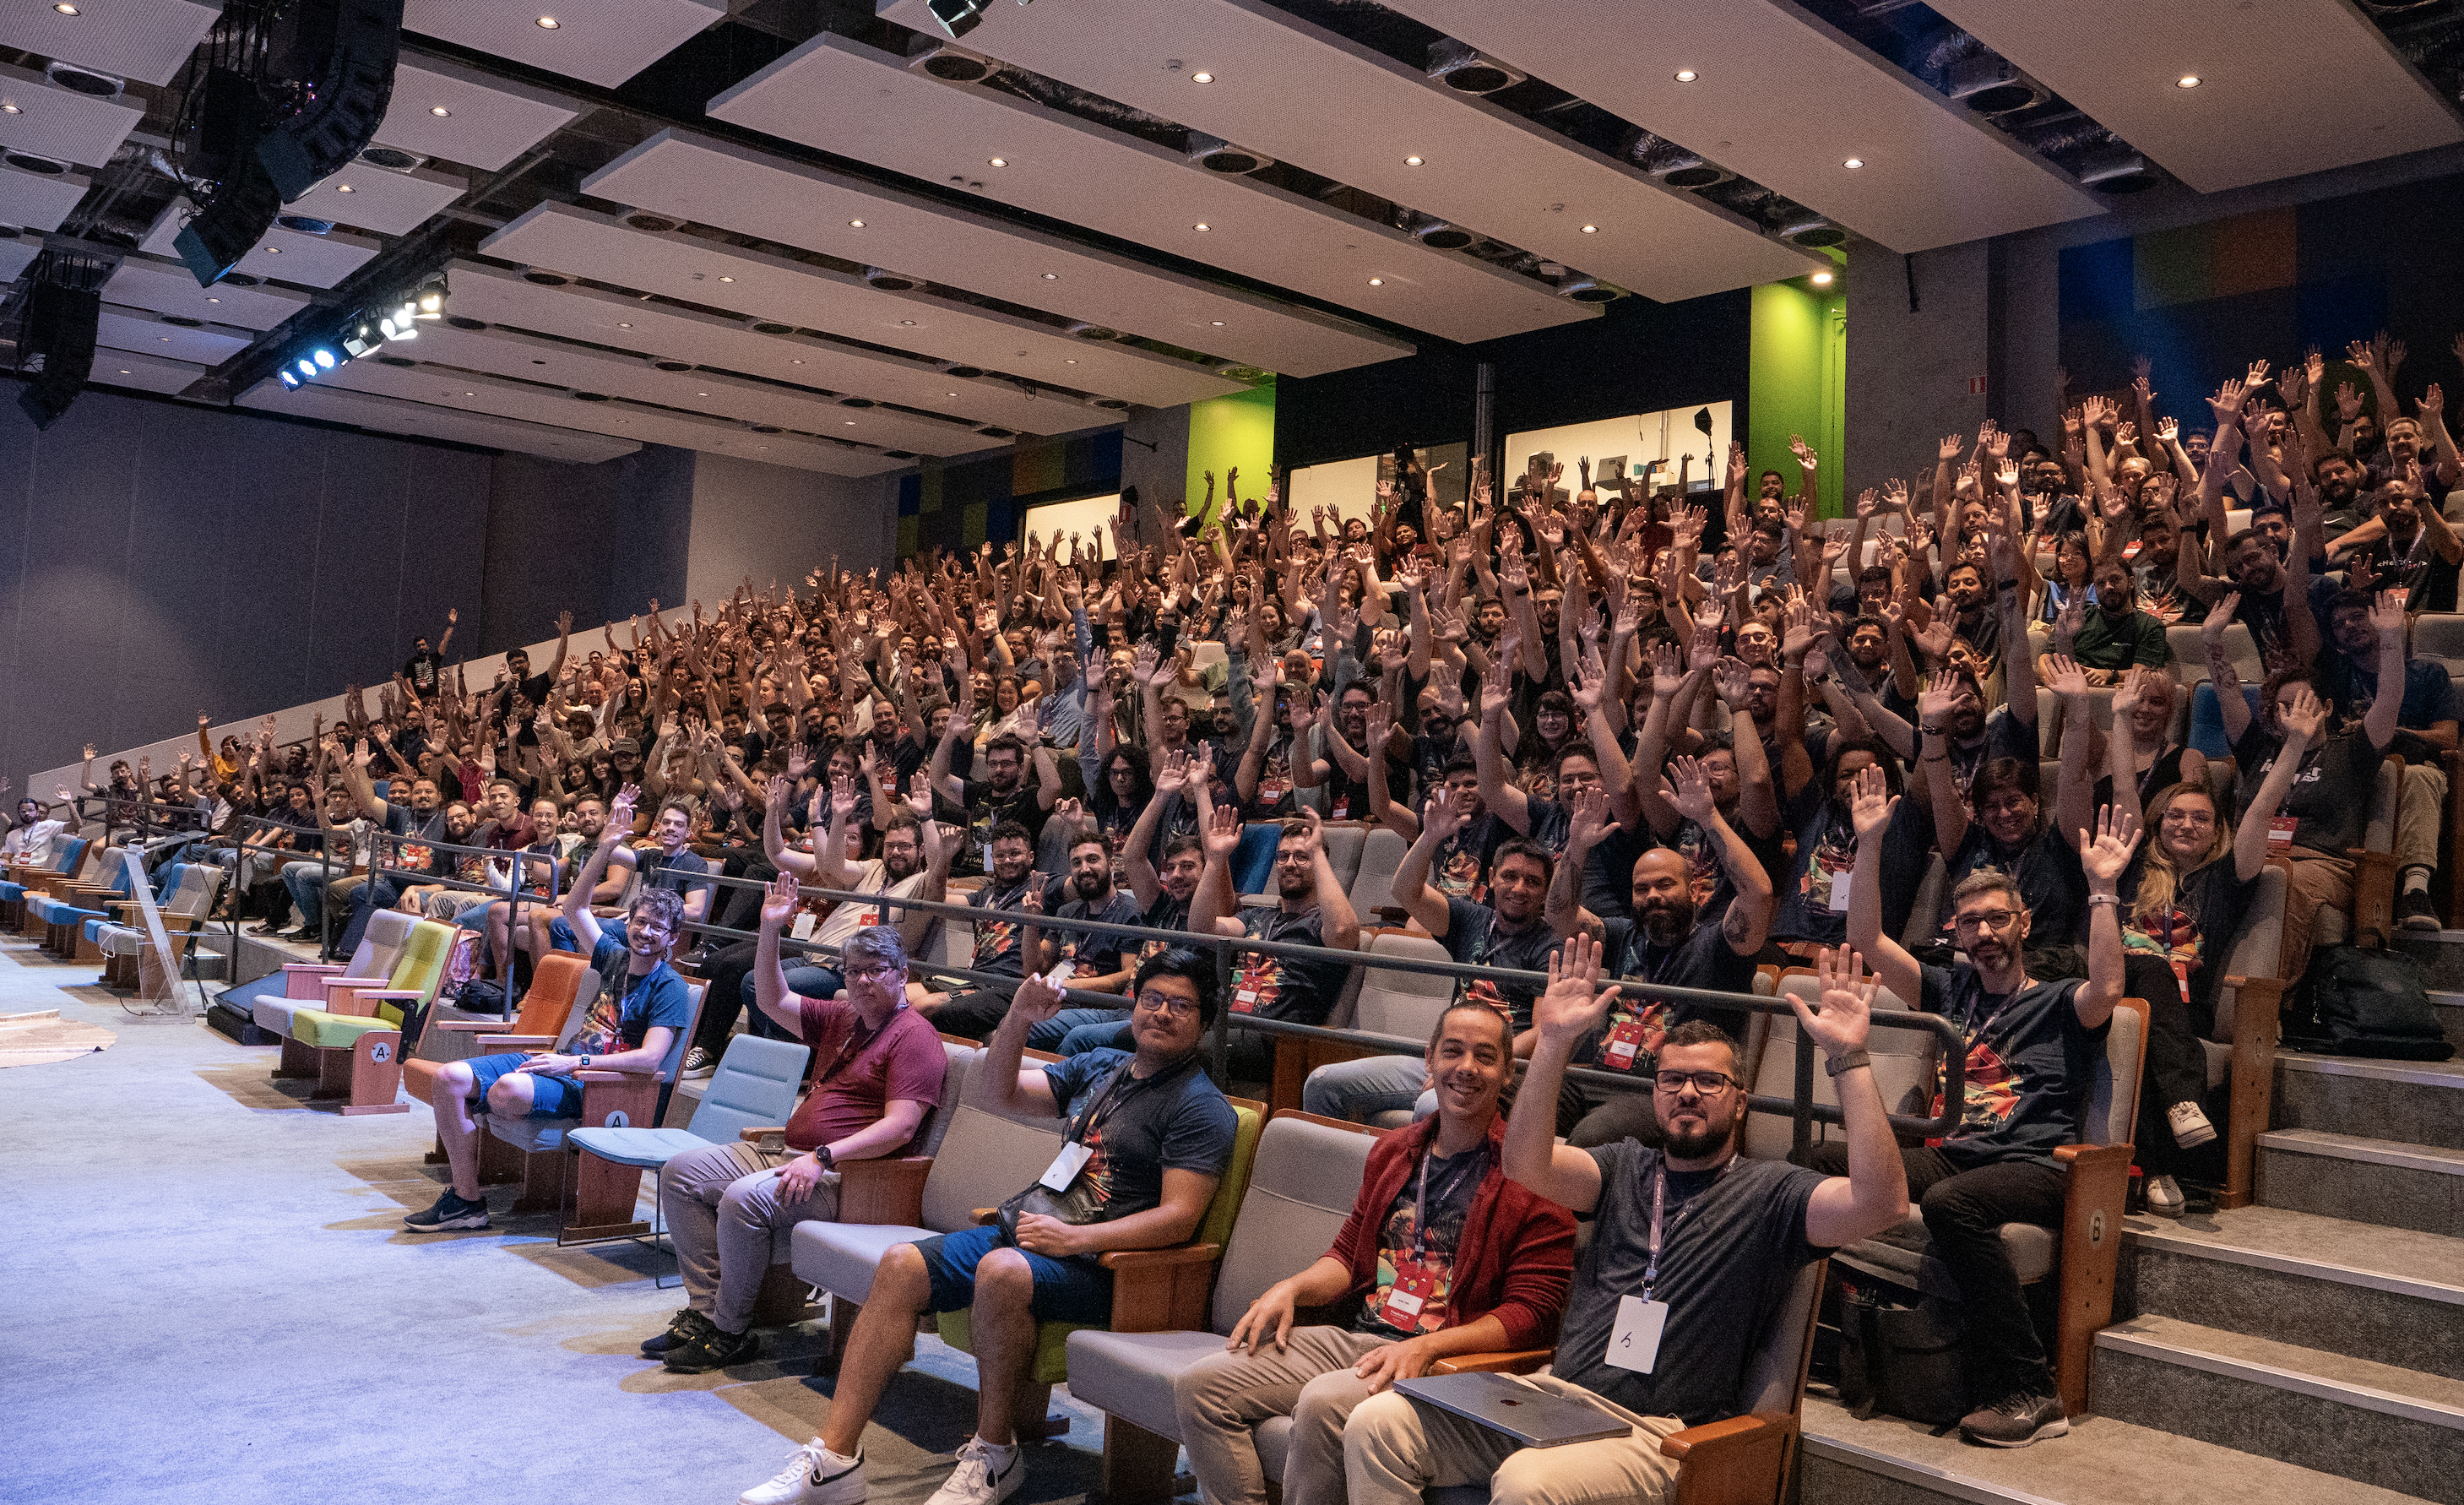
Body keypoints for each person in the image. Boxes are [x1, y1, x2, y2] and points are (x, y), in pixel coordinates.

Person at [1338, 936, 1909, 1505]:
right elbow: (1525, 1163)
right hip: (1554, 1400)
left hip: (1659, 1434)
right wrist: (1556, 1041)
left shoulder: (1772, 1192)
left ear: (1741, 1101)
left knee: (1526, 1482)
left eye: (1709, 1082)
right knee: (1379, 1424)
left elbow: (1881, 1204)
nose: (1688, 1093)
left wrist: (1848, 1059)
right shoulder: (1623, 1167)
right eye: (1672, 1080)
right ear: (1655, 1094)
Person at [735, 948, 1239, 1505]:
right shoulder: (1102, 1066)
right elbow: (997, 1093)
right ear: (1133, 1005)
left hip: (1107, 1270)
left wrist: (1078, 1239)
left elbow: (1179, 1217)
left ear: (1205, 1024)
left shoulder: (1200, 1106)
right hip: (1036, 1234)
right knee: (902, 1263)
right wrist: (1018, 1019)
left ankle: (995, 1453)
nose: (1163, 1013)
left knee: (1001, 1270)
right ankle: (833, 1460)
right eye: (1153, 999)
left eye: (1182, 1006)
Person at [1171, 1002, 1577, 1505]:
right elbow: (1347, 1255)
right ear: (1429, 1060)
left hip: (1449, 1361)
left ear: (1507, 1072)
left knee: (1321, 1404)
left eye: (1484, 1056)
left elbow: (1532, 1316)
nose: (1466, 1068)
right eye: (1452, 1051)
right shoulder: (1395, 1150)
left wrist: (1428, 1348)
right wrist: (1291, 1287)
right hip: (1361, 1337)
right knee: (1200, 1386)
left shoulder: (1537, 1178)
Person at [1842, 763, 2141, 1446]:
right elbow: (1866, 942)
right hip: (1956, 1154)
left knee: (1953, 1205)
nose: (1983, 931)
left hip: (2036, 1163)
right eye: (1970, 920)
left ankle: (2031, 1388)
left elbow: (2108, 987)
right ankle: (1824, 1336)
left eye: (1996, 918)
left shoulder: (2057, 1000)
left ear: (2023, 923)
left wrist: (2101, 890)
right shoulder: (1950, 993)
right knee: (1824, 1157)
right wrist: (1867, 845)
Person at [648, 888, 946, 1372]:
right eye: (854, 971)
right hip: (786, 1151)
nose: (863, 981)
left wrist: (824, 1157)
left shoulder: (915, 1037)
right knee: (681, 1172)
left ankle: (729, 1329)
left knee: (743, 1199)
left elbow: (900, 1126)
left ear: (903, 975)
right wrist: (770, 929)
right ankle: (707, 1312)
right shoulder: (844, 1016)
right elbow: (771, 998)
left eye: (876, 970)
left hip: (849, 1177)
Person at [409, 788, 693, 1233]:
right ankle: (467, 1200)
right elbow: (575, 906)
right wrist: (604, 848)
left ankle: (488, 1158)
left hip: (595, 1085)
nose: (646, 932)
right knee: (448, 1079)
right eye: (640, 922)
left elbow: (650, 1059)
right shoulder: (614, 957)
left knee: (506, 1091)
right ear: (629, 924)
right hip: (556, 1065)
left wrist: (574, 1061)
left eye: (658, 927)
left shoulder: (670, 987)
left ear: (673, 937)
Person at [2102, 682, 2315, 1215]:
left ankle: (2156, 1167)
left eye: (2201, 818)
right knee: (2143, 970)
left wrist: (2292, 747)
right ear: (2157, 823)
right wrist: (2121, 721)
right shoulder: (2128, 869)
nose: (2186, 824)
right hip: (2109, 988)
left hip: (2179, 1008)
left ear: (2216, 829)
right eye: (2175, 815)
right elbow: (2126, 793)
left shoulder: (2223, 881)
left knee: (2143, 1028)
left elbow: (2262, 810)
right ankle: (2183, 1104)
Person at [1544, 769, 1767, 1146]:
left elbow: (1759, 894)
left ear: (1694, 889)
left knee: (1593, 1136)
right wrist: (1577, 847)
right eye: (1641, 888)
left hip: (1669, 1096)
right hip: (1596, 1079)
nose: (1652, 896)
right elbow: (1558, 914)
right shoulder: (1620, 936)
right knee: (1507, 1092)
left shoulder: (1721, 946)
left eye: (1665, 884)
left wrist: (1709, 818)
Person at [2207, 589, 2405, 985]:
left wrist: (2391, 639)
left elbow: (2389, 699)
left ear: (2328, 708)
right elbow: (2227, 691)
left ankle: (2262, 1003)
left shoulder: (2352, 752)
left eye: (2304, 703)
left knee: (2279, 884)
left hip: (2321, 865)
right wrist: (2212, 642)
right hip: (2251, 856)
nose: (2293, 714)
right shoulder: (2260, 750)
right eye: (2282, 708)